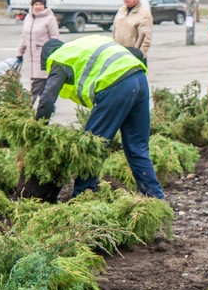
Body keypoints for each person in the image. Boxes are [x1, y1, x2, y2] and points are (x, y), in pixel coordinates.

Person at [35, 35, 164, 200]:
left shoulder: (59, 59)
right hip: (138, 78)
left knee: (92, 144)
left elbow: (46, 101)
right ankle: (155, 197)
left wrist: (38, 127)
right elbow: (131, 53)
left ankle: (82, 196)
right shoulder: (83, 44)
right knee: (137, 146)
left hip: (115, 85)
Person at [16, 0, 60, 107]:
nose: (38, 6)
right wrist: (19, 53)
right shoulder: (29, 17)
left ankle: (27, 107)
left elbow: (54, 38)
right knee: (43, 86)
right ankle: (48, 107)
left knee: (37, 83)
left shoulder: (50, 18)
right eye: (36, 4)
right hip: (31, 57)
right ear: (32, 5)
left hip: (43, 57)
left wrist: (52, 54)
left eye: (41, 4)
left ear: (44, 6)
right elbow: (24, 36)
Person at [112, 0, 154, 65]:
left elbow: (145, 39)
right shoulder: (122, 10)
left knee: (135, 77)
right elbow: (115, 29)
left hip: (134, 55)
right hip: (119, 53)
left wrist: (138, 55)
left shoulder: (144, 14)